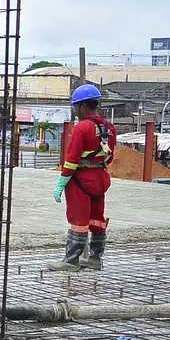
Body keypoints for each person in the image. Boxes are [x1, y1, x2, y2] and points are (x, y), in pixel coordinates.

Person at [49, 84, 116, 271]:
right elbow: (110, 156)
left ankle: (71, 261)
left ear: (83, 107)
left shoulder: (82, 128)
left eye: (75, 107)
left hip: (80, 181)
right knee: (97, 219)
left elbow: (71, 160)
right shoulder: (109, 127)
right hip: (100, 179)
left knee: (78, 221)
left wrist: (61, 183)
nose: (76, 111)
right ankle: (95, 258)